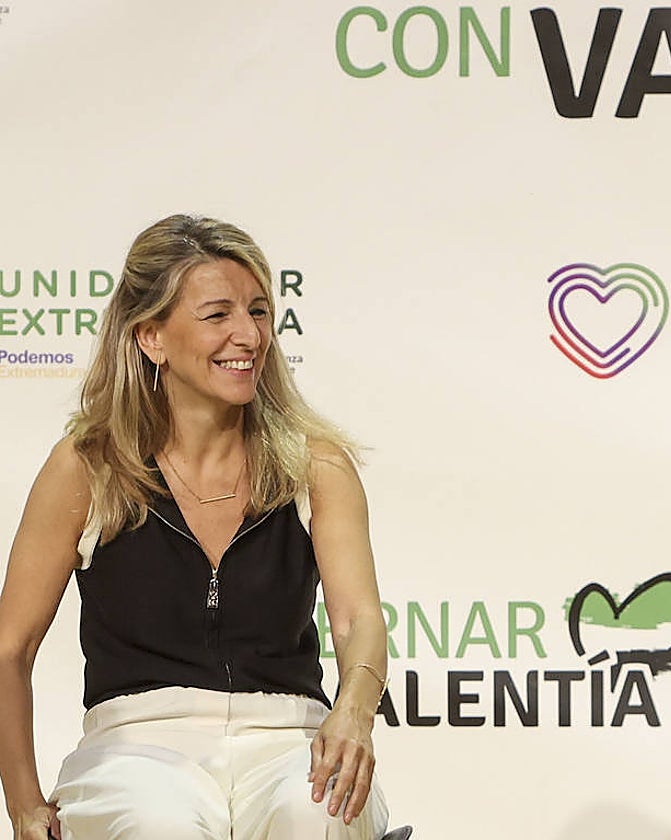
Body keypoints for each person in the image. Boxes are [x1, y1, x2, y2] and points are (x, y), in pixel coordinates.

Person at [0, 215, 391, 839]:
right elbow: (9, 648)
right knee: (159, 823)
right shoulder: (89, 466)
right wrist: (22, 802)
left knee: (314, 810)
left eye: (259, 310)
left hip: (289, 736)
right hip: (136, 745)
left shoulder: (315, 466)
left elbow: (358, 620)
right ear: (151, 336)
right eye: (218, 315)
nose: (249, 334)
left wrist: (353, 713)